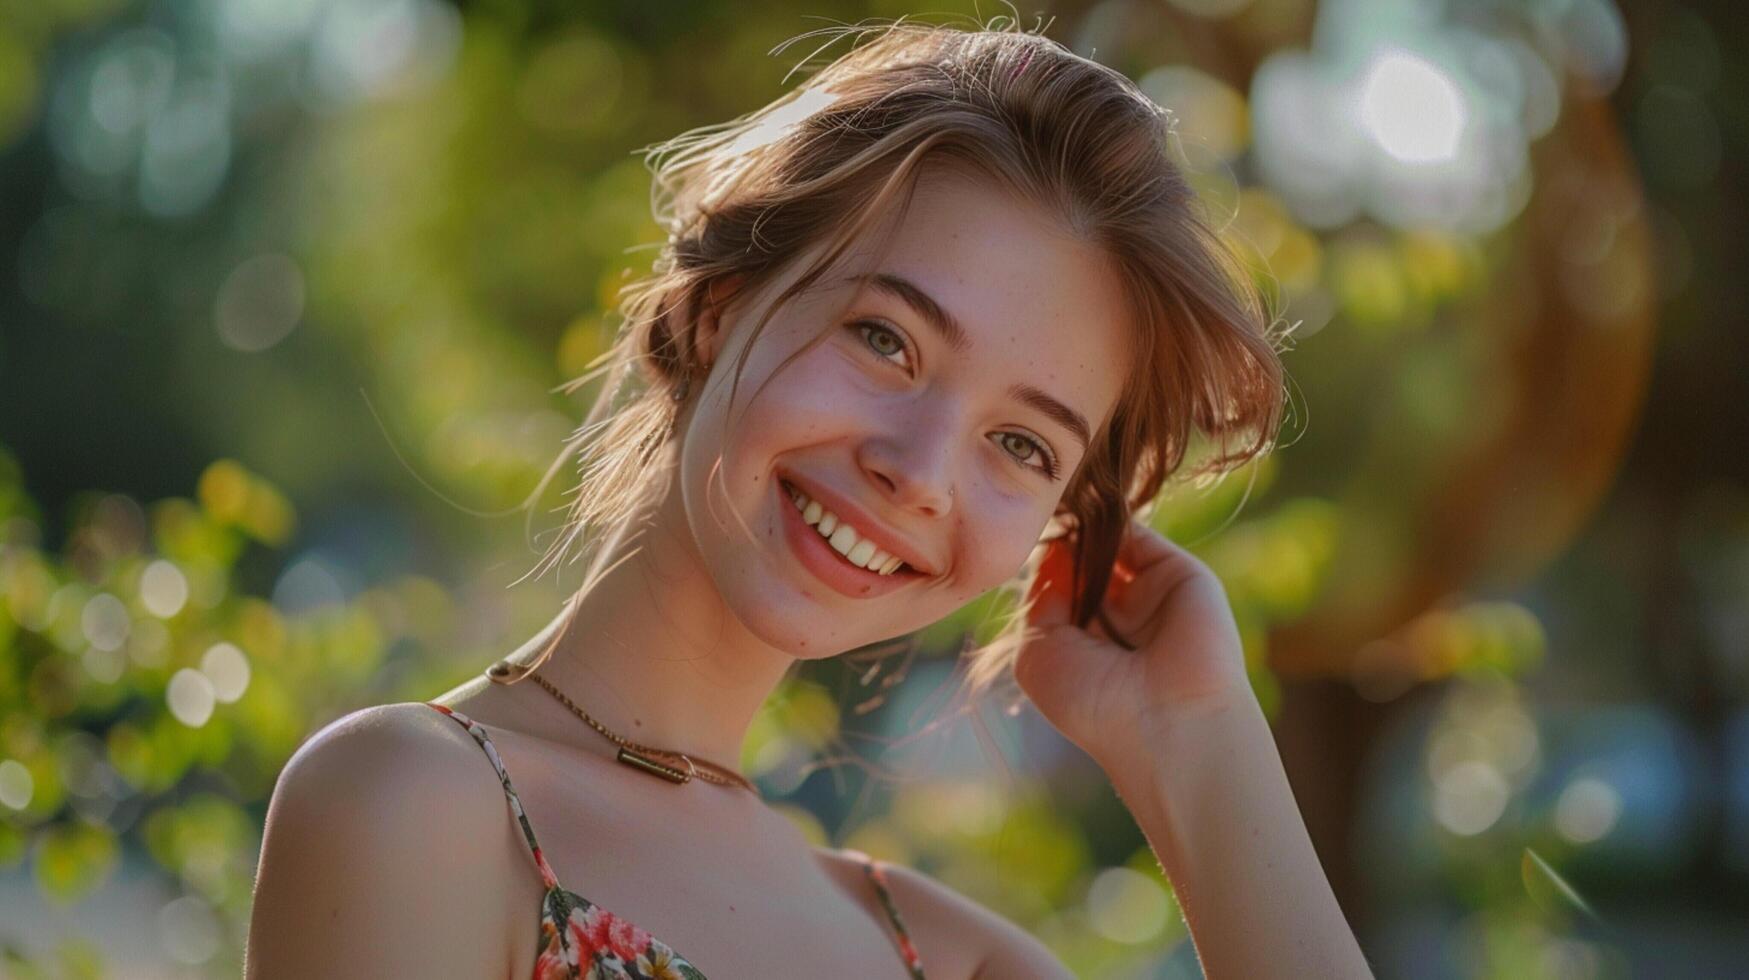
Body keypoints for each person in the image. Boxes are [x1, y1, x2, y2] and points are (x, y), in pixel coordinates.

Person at [244, 19, 1373, 980]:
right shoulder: (413, 806)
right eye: (886, 338)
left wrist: (1200, 740)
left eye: (1022, 444)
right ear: (721, 305)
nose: (921, 469)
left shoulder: (949, 958)